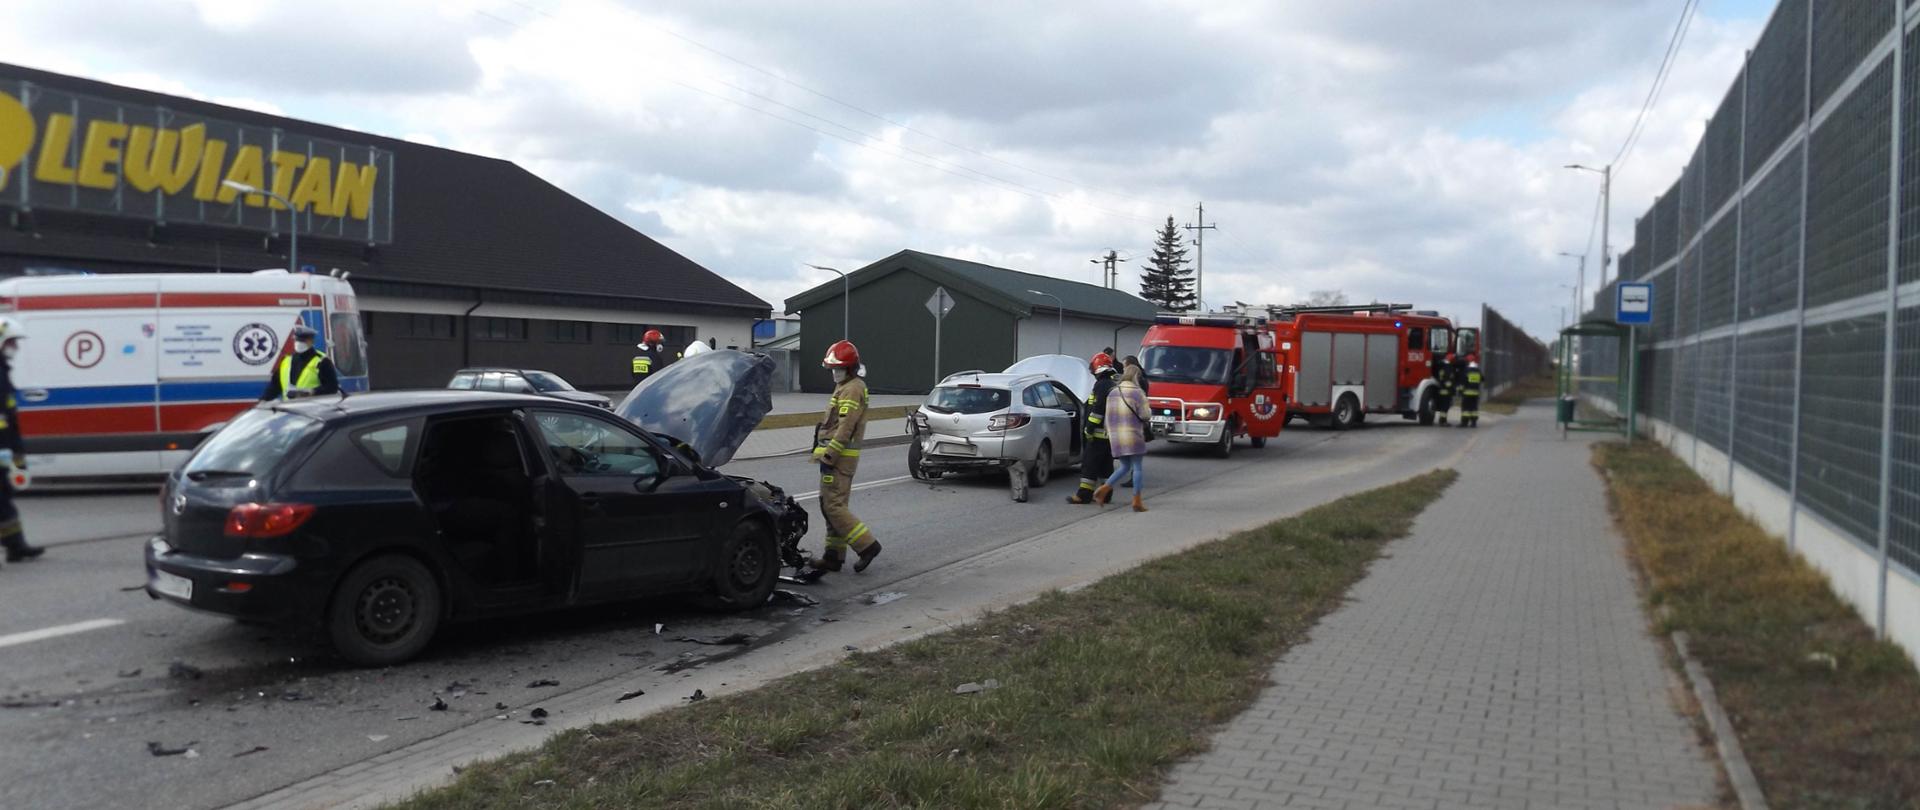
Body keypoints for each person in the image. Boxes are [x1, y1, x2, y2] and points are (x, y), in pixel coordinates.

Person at [804, 339, 881, 578]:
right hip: (835, 459)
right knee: (830, 507)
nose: (834, 373)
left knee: (833, 507)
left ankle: (867, 546)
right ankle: (833, 557)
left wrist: (829, 456)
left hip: (838, 460)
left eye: (837, 369)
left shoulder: (852, 388)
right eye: (832, 369)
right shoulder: (846, 386)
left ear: (849, 368)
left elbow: (845, 427)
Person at [0, 318, 44, 566]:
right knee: (2, 500)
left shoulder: (2, 370)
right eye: (12, 341)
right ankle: (16, 546)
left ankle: (16, 546)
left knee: (4, 498)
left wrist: (15, 454)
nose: (15, 347)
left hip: (4, 445)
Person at [1093, 364, 1151, 512]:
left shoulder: (1113, 392)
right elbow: (1145, 415)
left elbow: (1107, 416)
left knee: (1124, 466)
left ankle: (1104, 488)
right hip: (1133, 434)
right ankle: (1137, 500)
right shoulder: (1138, 393)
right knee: (1137, 467)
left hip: (1116, 435)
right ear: (1136, 377)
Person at [1067, 352, 1119, 505]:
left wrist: (1089, 428)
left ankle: (1084, 496)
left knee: (1090, 464)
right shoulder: (1111, 384)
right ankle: (1106, 494)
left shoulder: (1102, 385)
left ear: (1097, 368)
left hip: (1097, 434)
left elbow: (1097, 410)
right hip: (1108, 434)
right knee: (1105, 466)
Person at [260, 325, 339, 401]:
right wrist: (263, 400)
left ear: (311, 341)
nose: (299, 342)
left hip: (313, 409)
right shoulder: (286, 361)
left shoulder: (322, 361)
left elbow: (332, 387)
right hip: (290, 409)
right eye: (297, 340)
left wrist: (312, 392)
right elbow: (275, 386)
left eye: (303, 340)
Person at [1432, 351, 1455, 426]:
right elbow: (1448, 378)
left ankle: (1442, 420)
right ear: (1448, 357)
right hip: (1446, 390)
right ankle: (1443, 421)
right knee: (1445, 406)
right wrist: (1450, 387)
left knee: (1444, 406)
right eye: (1451, 356)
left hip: (1442, 389)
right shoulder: (1447, 366)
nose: (1453, 358)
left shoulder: (1441, 365)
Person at [1459, 355, 1482, 428]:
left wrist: (1460, 391)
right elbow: (1482, 378)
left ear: (1468, 361)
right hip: (1475, 393)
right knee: (1474, 408)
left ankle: (1464, 423)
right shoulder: (1478, 370)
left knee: (1465, 408)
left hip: (1467, 392)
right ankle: (1473, 423)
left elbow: (1463, 381)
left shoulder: (1466, 370)